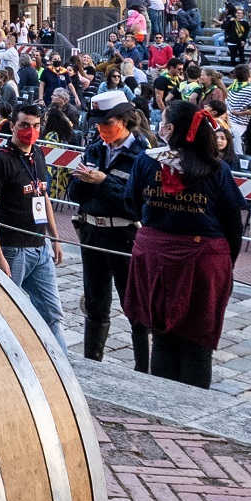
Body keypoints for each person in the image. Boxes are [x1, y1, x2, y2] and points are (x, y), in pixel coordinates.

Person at [122, 99, 244, 389]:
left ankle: (163, 404)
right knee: (198, 344)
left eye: (163, 121)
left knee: (162, 338)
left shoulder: (146, 161)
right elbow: (233, 223)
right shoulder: (216, 169)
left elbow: (132, 204)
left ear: (172, 129)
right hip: (204, 261)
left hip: (156, 257)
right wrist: (226, 263)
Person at [69, 90, 150, 369]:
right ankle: (92, 364)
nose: (102, 129)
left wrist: (104, 181)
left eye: (107, 123)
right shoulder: (95, 148)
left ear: (124, 121)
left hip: (124, 235)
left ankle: (143, 369)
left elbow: (136, 204)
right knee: (95, 302)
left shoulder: (141, 155)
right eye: (98, 124)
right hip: (92, 231)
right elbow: (75, 195)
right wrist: (81, 181)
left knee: (134, 302)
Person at [0, 103, 67, 347]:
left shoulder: (37, 153)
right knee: (5, 312)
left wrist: (55, 238)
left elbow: (43, 195)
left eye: (36, 126)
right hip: (12, 249)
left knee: (52, 314)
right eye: (25, 125)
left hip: (40, 248)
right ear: (13, 126)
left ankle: (60, 363)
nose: (31, 131)